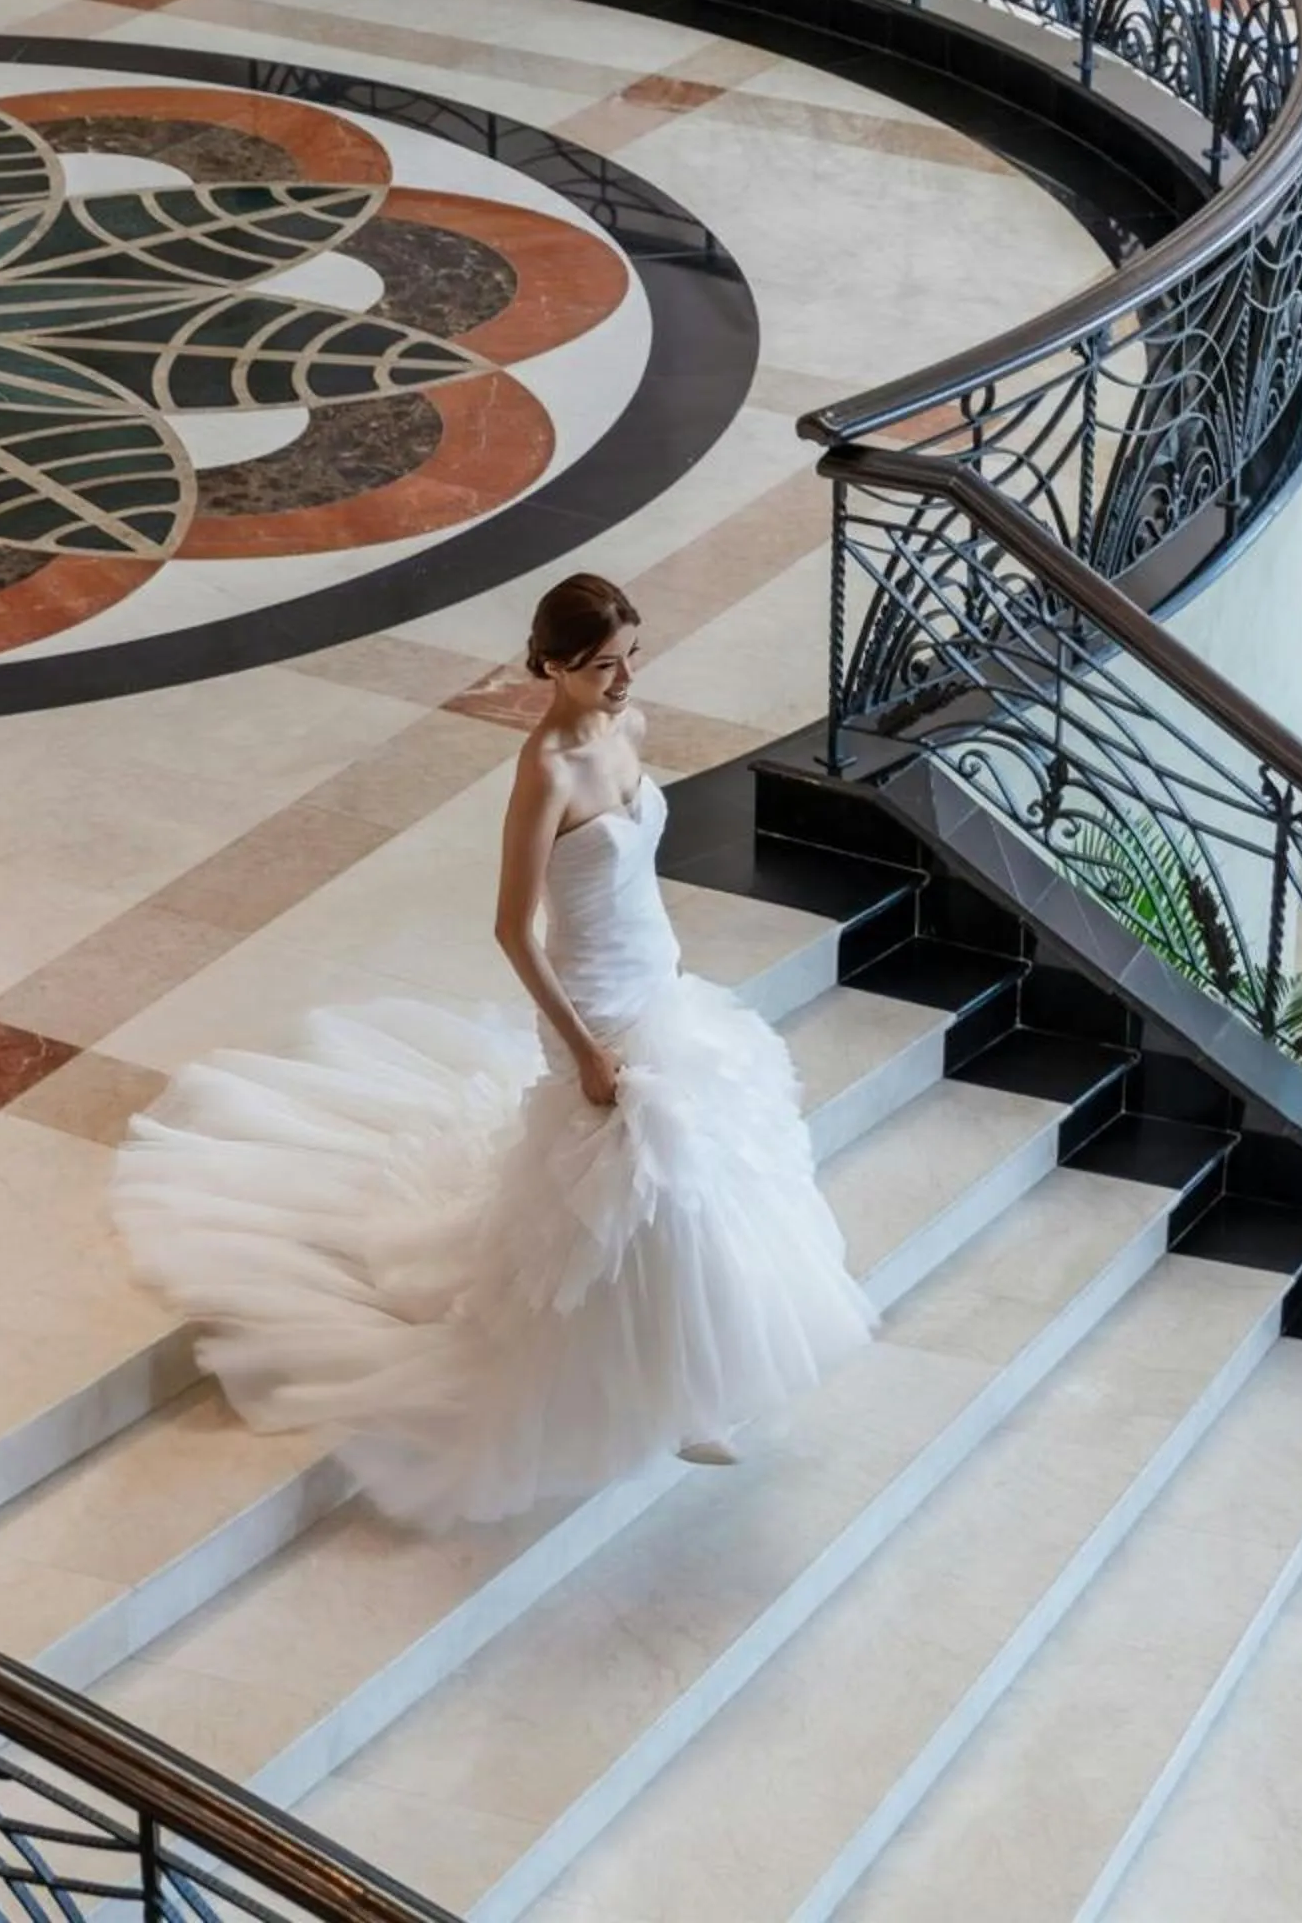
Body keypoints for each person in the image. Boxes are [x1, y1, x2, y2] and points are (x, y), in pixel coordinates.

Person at [111, 574, 874, 1531]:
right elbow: (514, 930)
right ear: (554, 666)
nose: (626, 677)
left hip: (659, 984)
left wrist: (671, 967)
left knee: (704, 1175)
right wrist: (583, 1047)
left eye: (631, 654)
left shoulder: (627, 732)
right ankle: (669, 1396)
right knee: (638, 1187)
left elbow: (634, 866)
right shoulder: (545, 768)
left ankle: (687, 1382)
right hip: (592, 1004)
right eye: (603, 665)